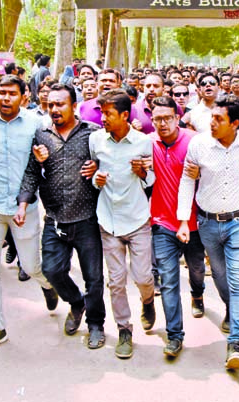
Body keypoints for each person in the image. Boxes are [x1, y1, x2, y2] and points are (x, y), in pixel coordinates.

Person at [177, 94, 239, 370]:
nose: (212, 123)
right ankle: (231, 308)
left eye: (219, 119)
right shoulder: (199, 145)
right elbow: (187, 183)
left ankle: (236, 343)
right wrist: (183, 221)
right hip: (207, 223)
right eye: (212, 117)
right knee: (220, 275)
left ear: (235, 123)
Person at [0, 75, 59, 355]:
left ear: (23, 97)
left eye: (11, 93)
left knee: (32, 266)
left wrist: (45, 156)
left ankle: (47, 284)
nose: (5, 98)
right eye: (1, 93)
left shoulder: (36, 123)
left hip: (25, 207)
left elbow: (46, 158)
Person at [18, 83, 106, 350]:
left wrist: (98, 166)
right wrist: (23, 203)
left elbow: (110, 161)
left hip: (87, 218)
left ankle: (95, 324)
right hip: (55, 218)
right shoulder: (41, 135)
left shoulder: (93, 134)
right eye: (50, 105)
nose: (54, 109)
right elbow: (32, 173)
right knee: (51, 270)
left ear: (74, 106)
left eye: (60, 104)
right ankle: (76, 303)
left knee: (94, 277)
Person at [89, 89, 156, 359]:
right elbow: (92, 173)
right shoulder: (96, 140)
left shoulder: (143, 142)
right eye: (101, 113)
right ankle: (124, 329)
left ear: (125, 115)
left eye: (108, 114)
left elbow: (151, 182)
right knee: (115, 281)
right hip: (108, 220)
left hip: (138, 219)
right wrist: (97, 180)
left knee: (142, 276)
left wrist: (143, 173)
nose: (103, 118)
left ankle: (148, 300)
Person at [148, 96, 206, 358]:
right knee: (169, 280)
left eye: (167, 118)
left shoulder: (194, 141)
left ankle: (198, 293)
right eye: (157, 119)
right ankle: (174, 336)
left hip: (195, 224)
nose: (162, 124)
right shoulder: (148, 144)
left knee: (196, 269)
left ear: (177, 117)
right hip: (162, 223)